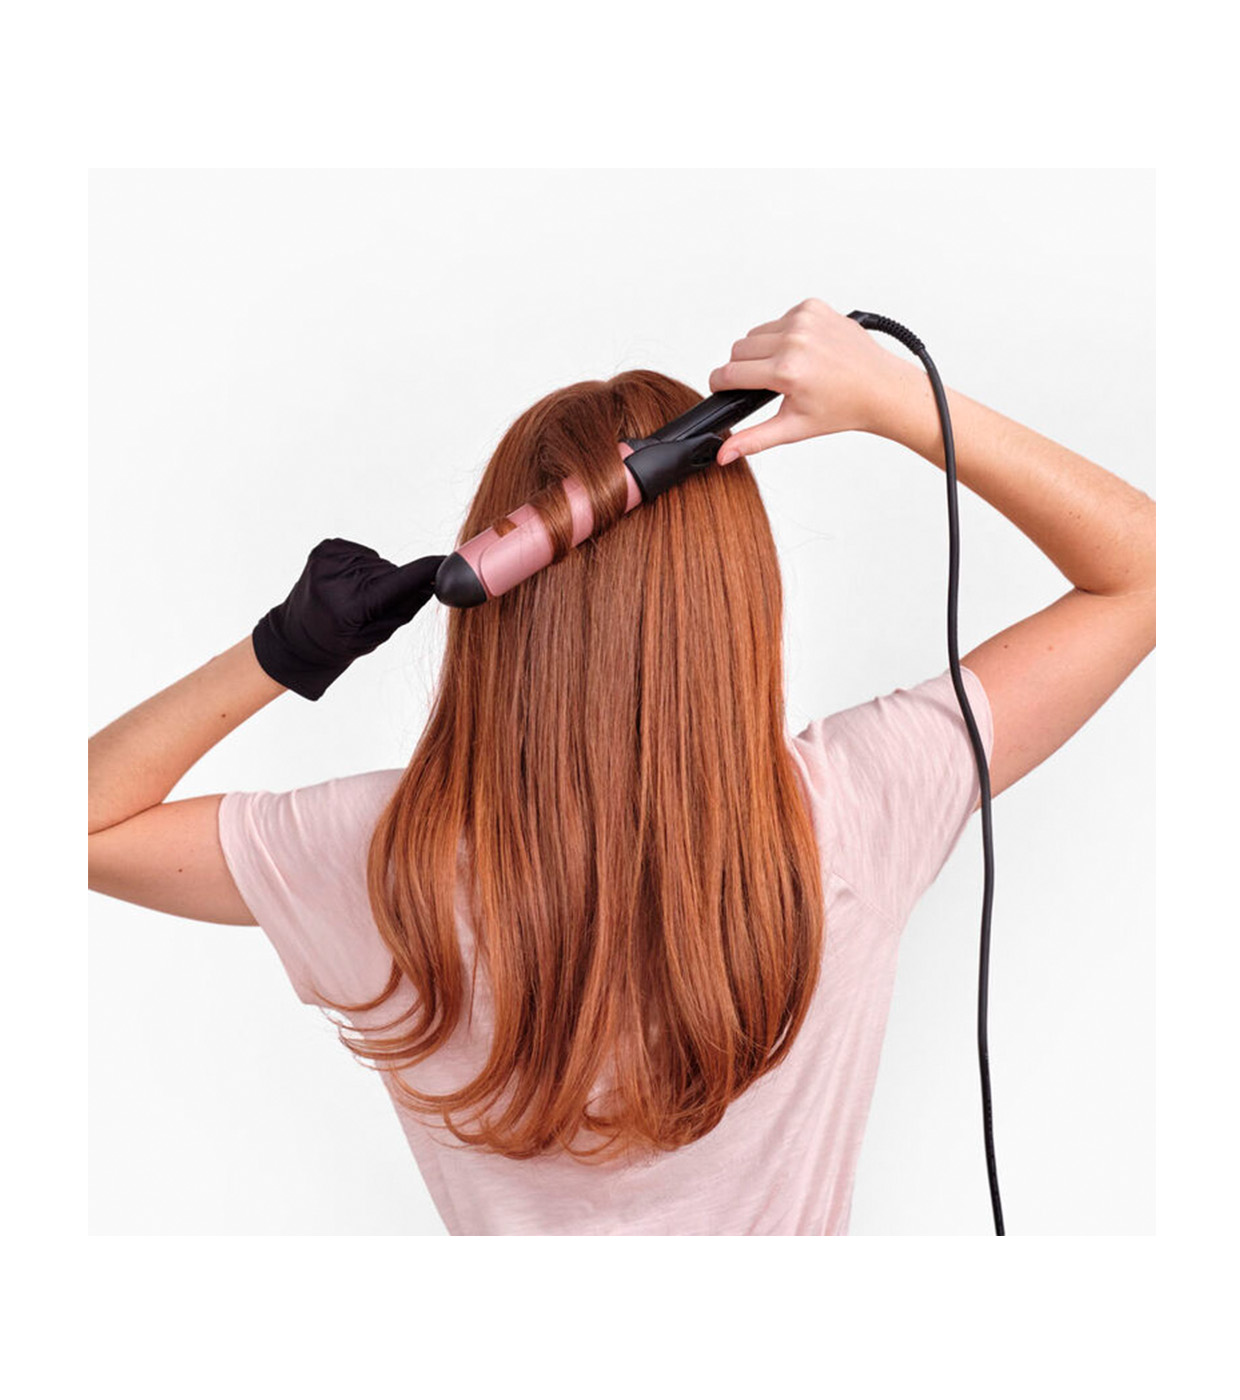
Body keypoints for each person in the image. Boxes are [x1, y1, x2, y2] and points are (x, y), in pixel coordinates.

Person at [88, 298, 1156, 1234]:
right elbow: (1151, 574)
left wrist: (286, 649)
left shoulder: (386, 857)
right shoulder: (854, 809)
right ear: (736, 595)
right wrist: (895, 401)